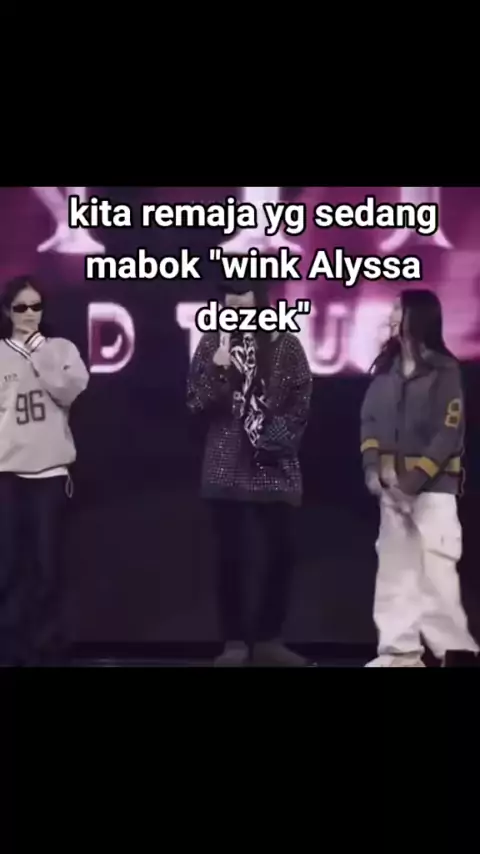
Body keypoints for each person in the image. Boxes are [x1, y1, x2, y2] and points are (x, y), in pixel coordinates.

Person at [187, 281, 313, 666]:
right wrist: (220, 371)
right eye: (230, 304)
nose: (237, 311)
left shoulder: (285, 344)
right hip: (225, 466)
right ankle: (235, 641)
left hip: (273, 466)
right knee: (231, 557)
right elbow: (195, 401)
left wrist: (274, 439)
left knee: (282, 553)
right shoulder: (213, 343)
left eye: (244, 301)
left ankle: (269, 637)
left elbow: (301, 400)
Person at [360, 289, 479, 667]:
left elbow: (448, 433)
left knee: (436, 574)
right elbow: (370, 423)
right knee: (395, 576)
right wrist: (373, 469)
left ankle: (456, 655)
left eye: (399, 307)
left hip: (432, 492)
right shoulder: (386, 372)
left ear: (418, 316)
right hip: (391, 493)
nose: (392, 314)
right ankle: (399, 654)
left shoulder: (445, 371)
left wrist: (411, 482)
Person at [0, 275, 89, 665]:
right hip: (7, 472)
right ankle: (9, 646)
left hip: (50, 473)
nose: (29, 314)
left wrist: (40, 354)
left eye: (35, 306)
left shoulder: (60, 348)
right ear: (8, 311)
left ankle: (46, 645)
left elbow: (69, 390)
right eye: (21, 307)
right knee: (8, 563)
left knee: (47, 563)